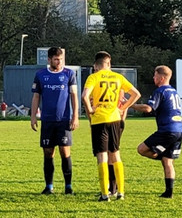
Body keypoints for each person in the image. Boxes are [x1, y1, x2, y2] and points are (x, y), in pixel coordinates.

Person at [81, 51, 140, 201]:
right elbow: (136, 94)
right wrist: (122, 108)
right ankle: (121, 192)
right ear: (109, 63)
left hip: (99, 119)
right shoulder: (118, 77)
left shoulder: (93, 77)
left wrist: (90, 110)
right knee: (116, 154)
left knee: (102, 156)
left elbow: (84, 96)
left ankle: (104, 194)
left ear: (96, 65)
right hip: (115, 118)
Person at [31, 46, 79, 194]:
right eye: (56, 59)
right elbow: (36, 97)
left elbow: (74, 96)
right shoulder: (40, 75)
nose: (59, 62)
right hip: (47, 120)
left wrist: (75, 116)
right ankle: (49, 186)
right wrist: (33, 116)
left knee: (65, 152)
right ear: (50, 59)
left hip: (64, 120)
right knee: (48, 153)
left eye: (61, 59)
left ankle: (68, 186)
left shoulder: (69, 74)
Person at [132, 65, 182, 198]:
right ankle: (169, 192)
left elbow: (148, 108)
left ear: (161, 78)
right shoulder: (174, 91)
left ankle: (161, 154)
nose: (153, 78)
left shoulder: (160, 91)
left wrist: (130, 105)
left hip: (168, 130)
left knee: (141, 149)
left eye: (155, 76)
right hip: (179, 130)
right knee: (168, 161)